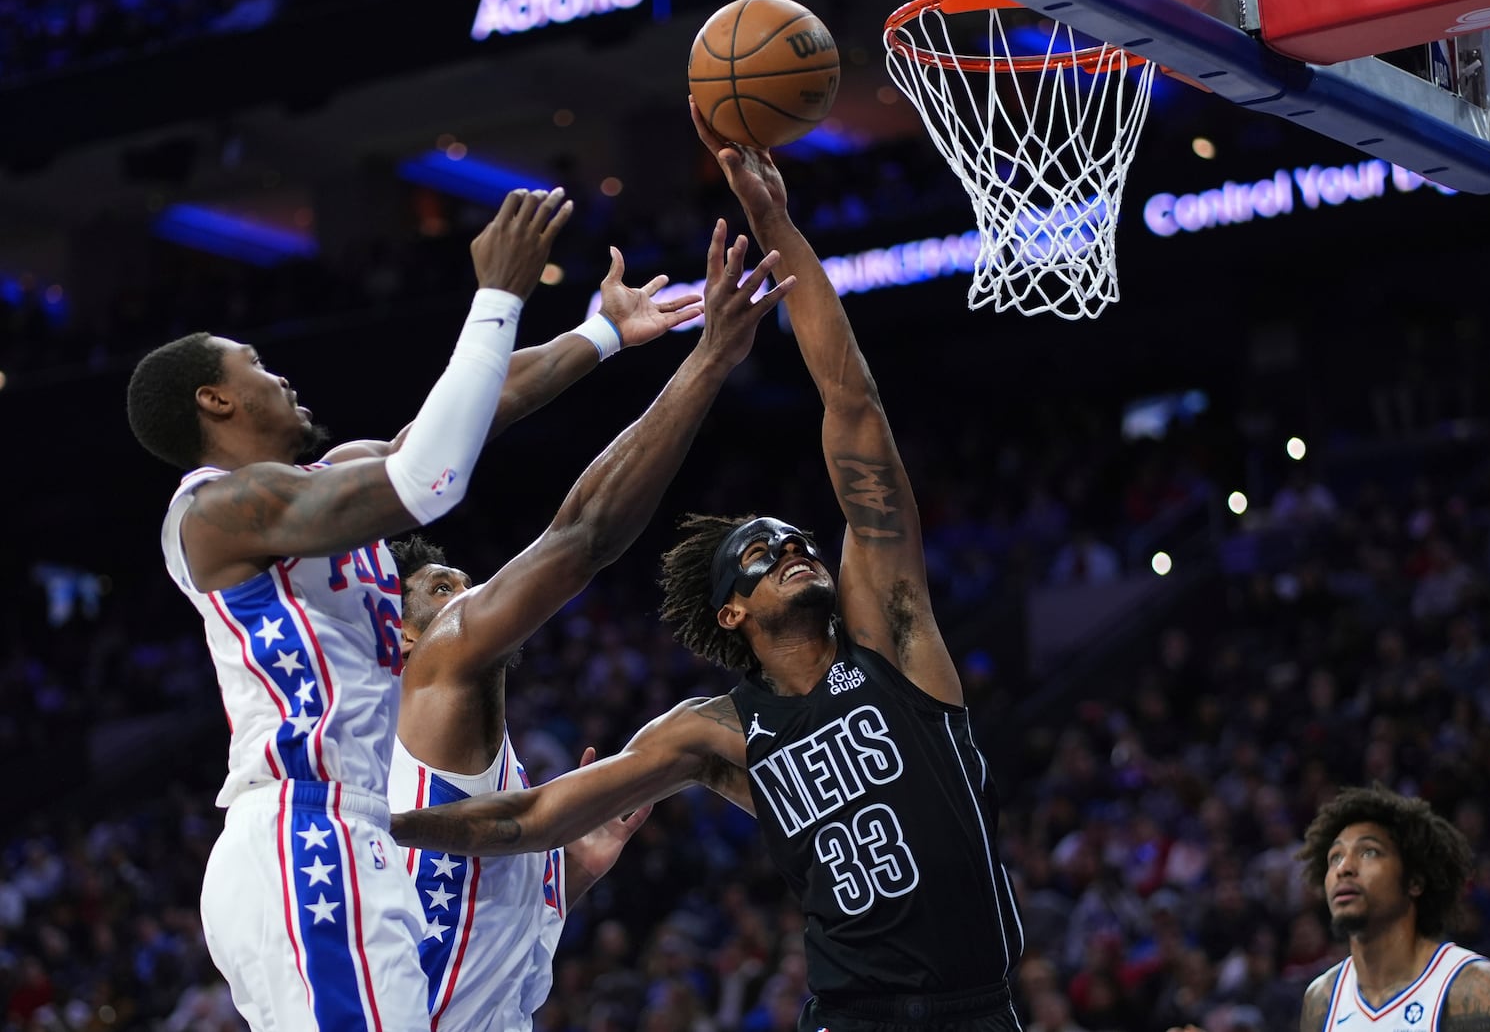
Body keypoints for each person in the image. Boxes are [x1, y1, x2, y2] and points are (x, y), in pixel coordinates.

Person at [390, 101, 1026, 1032]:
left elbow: (850, 400)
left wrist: (778, 228)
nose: (797, 550)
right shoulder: (715, 732)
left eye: (798, 540)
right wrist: (387, 827)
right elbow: (525, 821)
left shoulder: (891, 634)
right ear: (733, 613)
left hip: (984, 1008)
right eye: (764, 553)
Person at [124, 187, 702, 1030]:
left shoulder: (326, 485)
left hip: (351, 832)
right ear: (215, 400)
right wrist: (497, 295)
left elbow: (464, 418)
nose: (277, 374)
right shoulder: (211, 512)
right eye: (254, 363)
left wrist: (602, 332)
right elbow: (431, 478)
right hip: (301, 824)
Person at [385, 217, 792, 1030]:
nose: (468, 595)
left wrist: (564, 877)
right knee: (692, 735)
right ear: (399, 638)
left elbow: (452, 911)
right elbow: (583, 535)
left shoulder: (435, 754)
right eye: (442, 592)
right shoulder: (432, 679)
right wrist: (709, 357)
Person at [1295, 785, 1490, 1032]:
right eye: (1335, 857)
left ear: (1414, 882)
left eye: (1369, 852)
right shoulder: (1320, 1001)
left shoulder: (1482, 992)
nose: (1343, 868)